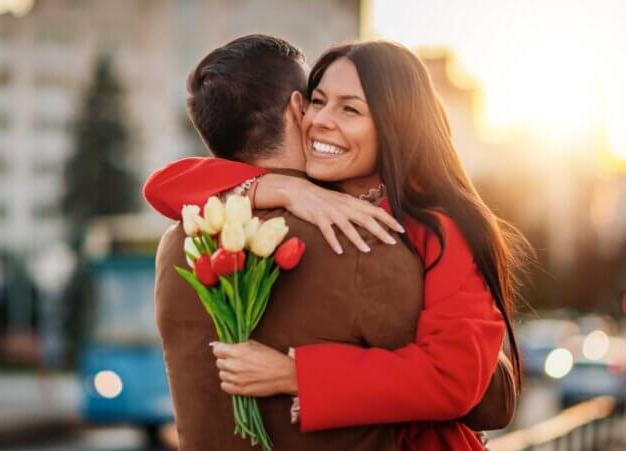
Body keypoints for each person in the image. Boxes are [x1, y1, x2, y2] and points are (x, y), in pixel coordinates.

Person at [151, 35, 519, 451]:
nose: (322, 119)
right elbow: (163, 184)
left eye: (350, 109)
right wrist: (284, 190)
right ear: (298, 109)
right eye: (318, 101)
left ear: (394, 123)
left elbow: (465, 382)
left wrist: (296, 374)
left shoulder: (432, 228)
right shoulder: (329, 215)